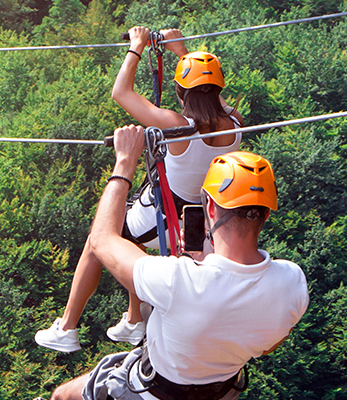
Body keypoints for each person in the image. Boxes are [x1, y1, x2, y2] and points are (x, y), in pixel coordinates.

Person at [47, 125, 309, 400]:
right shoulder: (292, 284)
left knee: (61, 396)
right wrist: (205, 264)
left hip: (151, 390)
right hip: (221, 392)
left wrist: (125, 161)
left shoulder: (177, 280)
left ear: (210, 207)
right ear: (266, 214)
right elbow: (266, 344)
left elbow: (101, 240)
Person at [35, 26, 245, 352]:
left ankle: (67, 327)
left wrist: (136, 47)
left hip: (165, 213)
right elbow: (210, 95)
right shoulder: (236, 123)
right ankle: (135, 320)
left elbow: (121, 93)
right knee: (133, 243)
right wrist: (181, 51)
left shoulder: (177, 126)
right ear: (218, 88)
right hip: (198, 219)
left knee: (98, 240)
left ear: (180, 91)